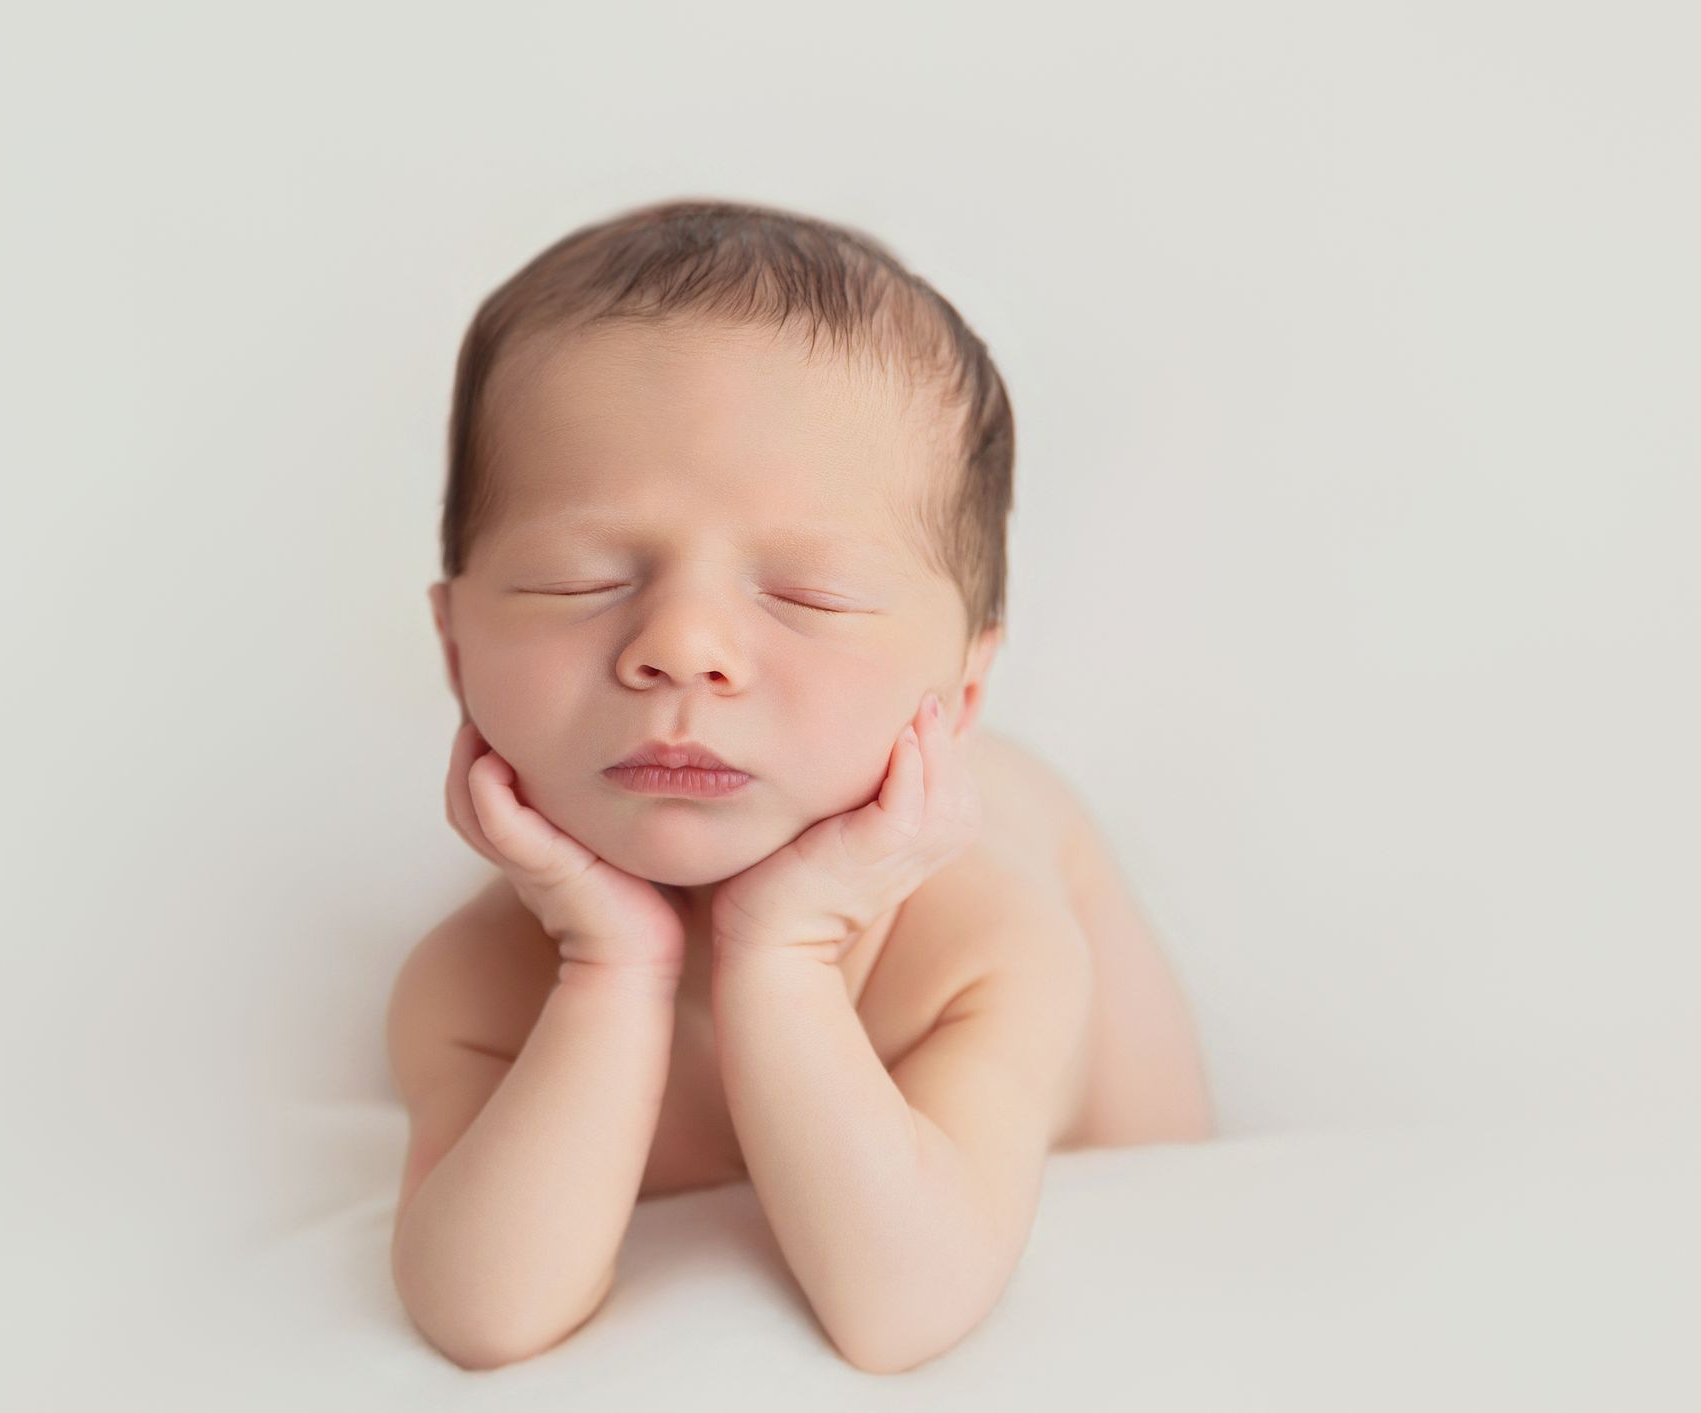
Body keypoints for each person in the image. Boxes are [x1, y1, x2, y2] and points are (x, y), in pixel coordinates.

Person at [386, 197, 1212, 1373]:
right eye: (580, 580)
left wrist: (788, 950)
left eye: (809, 595)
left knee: (1173, 1172)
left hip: (1052, 931)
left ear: (963, 694)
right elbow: (482, 1313)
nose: (682, 645)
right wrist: (608, 964)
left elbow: (903, 1311)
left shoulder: (984, 943)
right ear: (457, 648)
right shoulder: (473, 988)